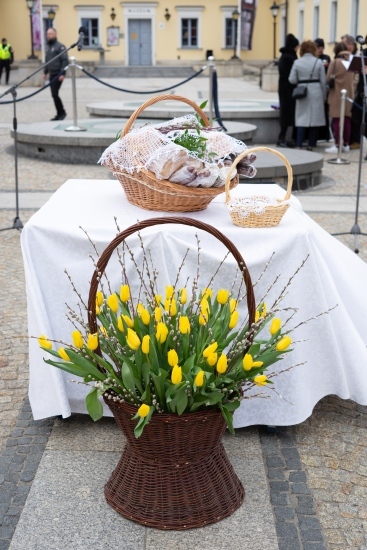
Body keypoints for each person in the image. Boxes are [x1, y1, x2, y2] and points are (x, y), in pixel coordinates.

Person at [289, 40, 327, 150]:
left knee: (301, 118)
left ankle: (299, 144)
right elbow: (323, 81)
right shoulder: (318, 62)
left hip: (302, 91)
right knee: (315, 119)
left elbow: (291, 79)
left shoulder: (297, 62)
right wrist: (324, 96)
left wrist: (301, 82)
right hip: (316, 91)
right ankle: (311, 144)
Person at [325, 42, 355, 154]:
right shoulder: (352, 61)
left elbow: (328, 78)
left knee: (337, 120)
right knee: (347, 120)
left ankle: (337, 144)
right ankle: (346, 144)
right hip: (349, 95)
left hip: (337, 94)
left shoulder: (335, 62)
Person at [277, 33, 299, 148]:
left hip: (283, 88)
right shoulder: (290, 57)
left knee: (286, 112)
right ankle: (283, 138)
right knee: (287, 113)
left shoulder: (284, 56)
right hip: (289, 89)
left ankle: (283, 137)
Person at [43, 28, 68, 121]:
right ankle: (59, 113)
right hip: (51, 74)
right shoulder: (48, 47)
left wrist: (63, 73)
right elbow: (47, 61)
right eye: (47, 34)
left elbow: (65, 60)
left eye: (50, 34)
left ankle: (62, 113)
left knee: (54, 94)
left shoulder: (60, 46)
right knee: (54, 94)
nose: (48, 35)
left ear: (55, 34)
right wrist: (45, 72)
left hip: (58, 74)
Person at [315, 38, 331, 142]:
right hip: (316, 88)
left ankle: (324, 135)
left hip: (324, 87)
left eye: (322, 48)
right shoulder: (313, 58)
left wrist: (328, 66)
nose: (320, 50)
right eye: (318, 48)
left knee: (325, 112)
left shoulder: (326, 58)